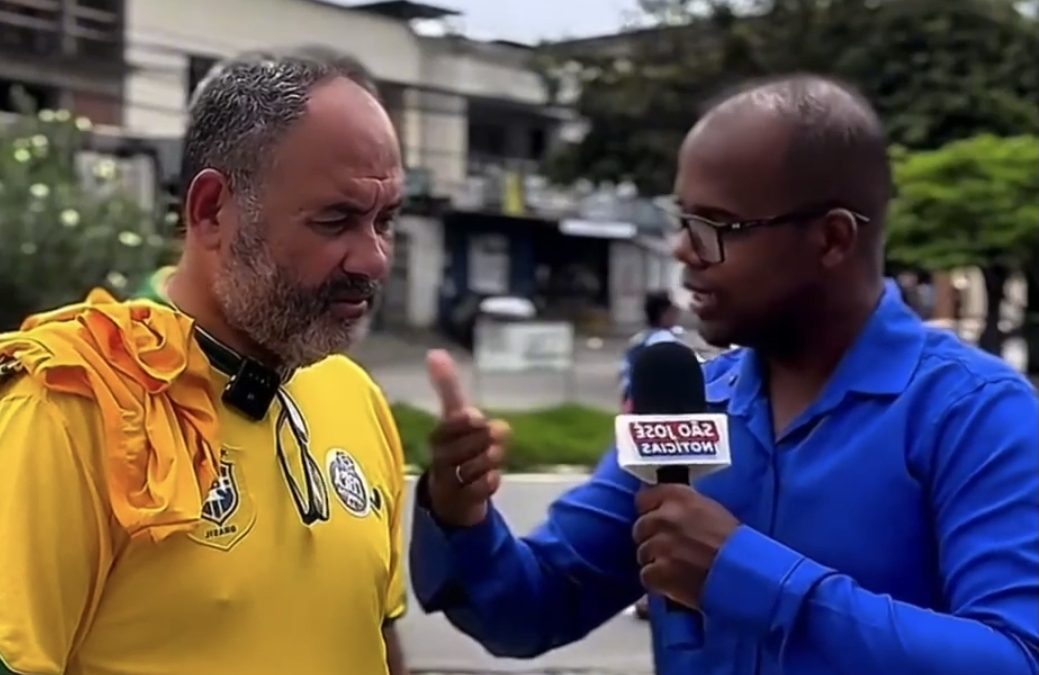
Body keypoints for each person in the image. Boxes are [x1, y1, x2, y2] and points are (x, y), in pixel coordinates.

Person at [407, 74, 1039, 675]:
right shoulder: (688, 404)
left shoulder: (976, 413)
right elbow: (531, 608)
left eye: (714, 226)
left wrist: (743, 573)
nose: (683, 251)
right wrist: (460, 515)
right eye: (683, 220)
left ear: (831, 240)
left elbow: (1014, 658)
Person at [0, 51, 410, 675]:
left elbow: (377, 643)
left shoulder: (356, 398)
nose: (373, 260)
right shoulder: (67, 406)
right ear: (211, 210)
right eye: (336, 220)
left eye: (386, 220)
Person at [619, 291, 686, 403]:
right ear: (663, 314)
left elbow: (625, 373)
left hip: (637, 398)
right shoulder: (667, 341)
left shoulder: (638, 339)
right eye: (672, 311)